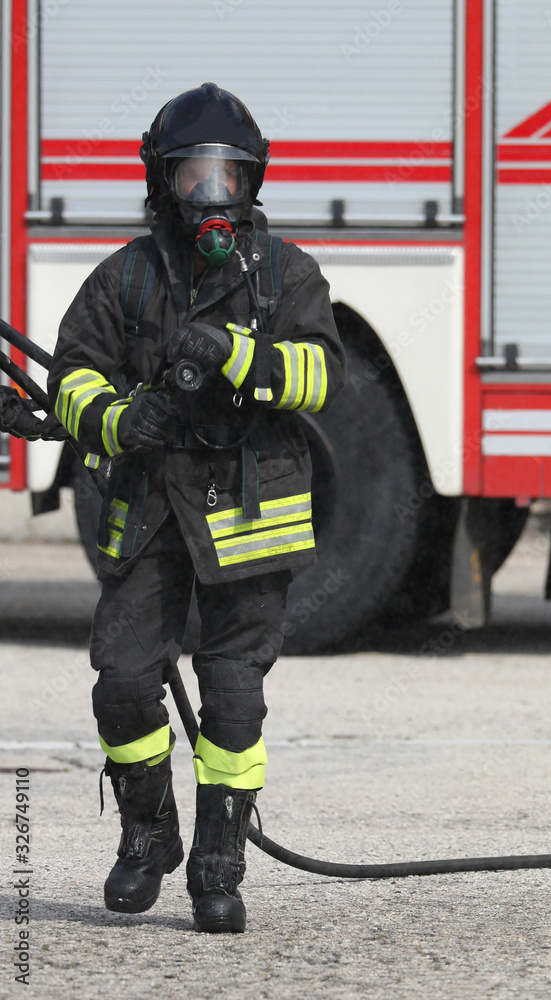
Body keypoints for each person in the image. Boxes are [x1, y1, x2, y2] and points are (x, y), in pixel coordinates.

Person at [47, 83, 346, 933]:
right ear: (164, 182)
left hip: (248, 509)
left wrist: (238, 355)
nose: (213, 193)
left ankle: (220, 866)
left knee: (233, 697)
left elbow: (324, 376)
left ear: (252, 182)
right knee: (123, 683)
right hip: (150, 507)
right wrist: (116, 420)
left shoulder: (287, 274)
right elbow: (71, 375)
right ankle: (149, 837)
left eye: (228, 176)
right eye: (194, 177)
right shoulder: (127, 276)